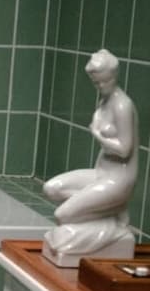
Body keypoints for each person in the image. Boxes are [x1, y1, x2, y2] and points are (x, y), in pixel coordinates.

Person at [42, 48, 139, 257]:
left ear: (113, 76)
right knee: (51, 189)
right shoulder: (104, 101)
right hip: (100, 173)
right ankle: (107, 209)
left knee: (63, 215)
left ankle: (114, 225)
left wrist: (97, 135)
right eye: (96, 83)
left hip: (118, 180)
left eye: (104, 82)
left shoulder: (123, 105)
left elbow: (124, 149)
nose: (101, 87)